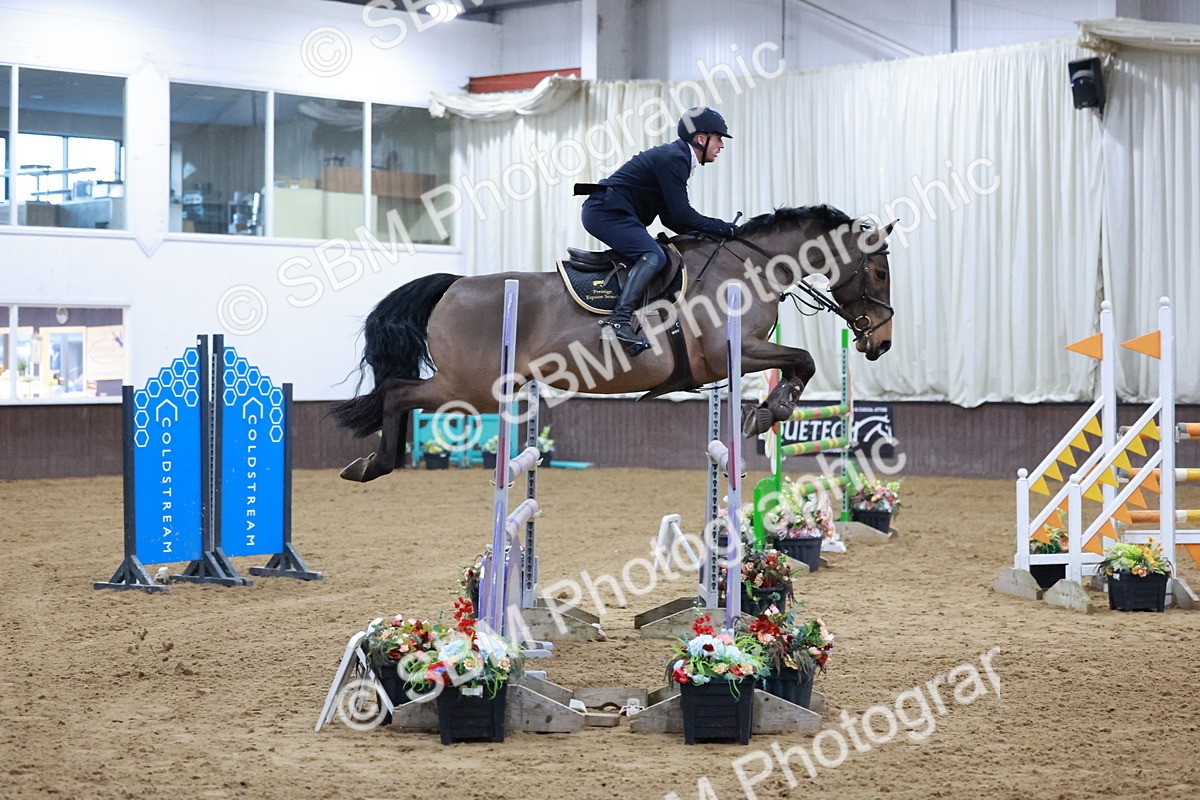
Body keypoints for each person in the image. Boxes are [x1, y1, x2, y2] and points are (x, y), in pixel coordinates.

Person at [580, 106, 738, 349]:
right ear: (701, 138)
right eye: (718, 138)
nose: (721, 146)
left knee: (658, 252)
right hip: (605, 212)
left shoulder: (677, 158)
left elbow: (671, 219)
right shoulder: (675, 159)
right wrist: (723, 228)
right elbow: (683, 215)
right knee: (653, 254)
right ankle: (619, 321)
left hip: (610, 211)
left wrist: (708, 234)